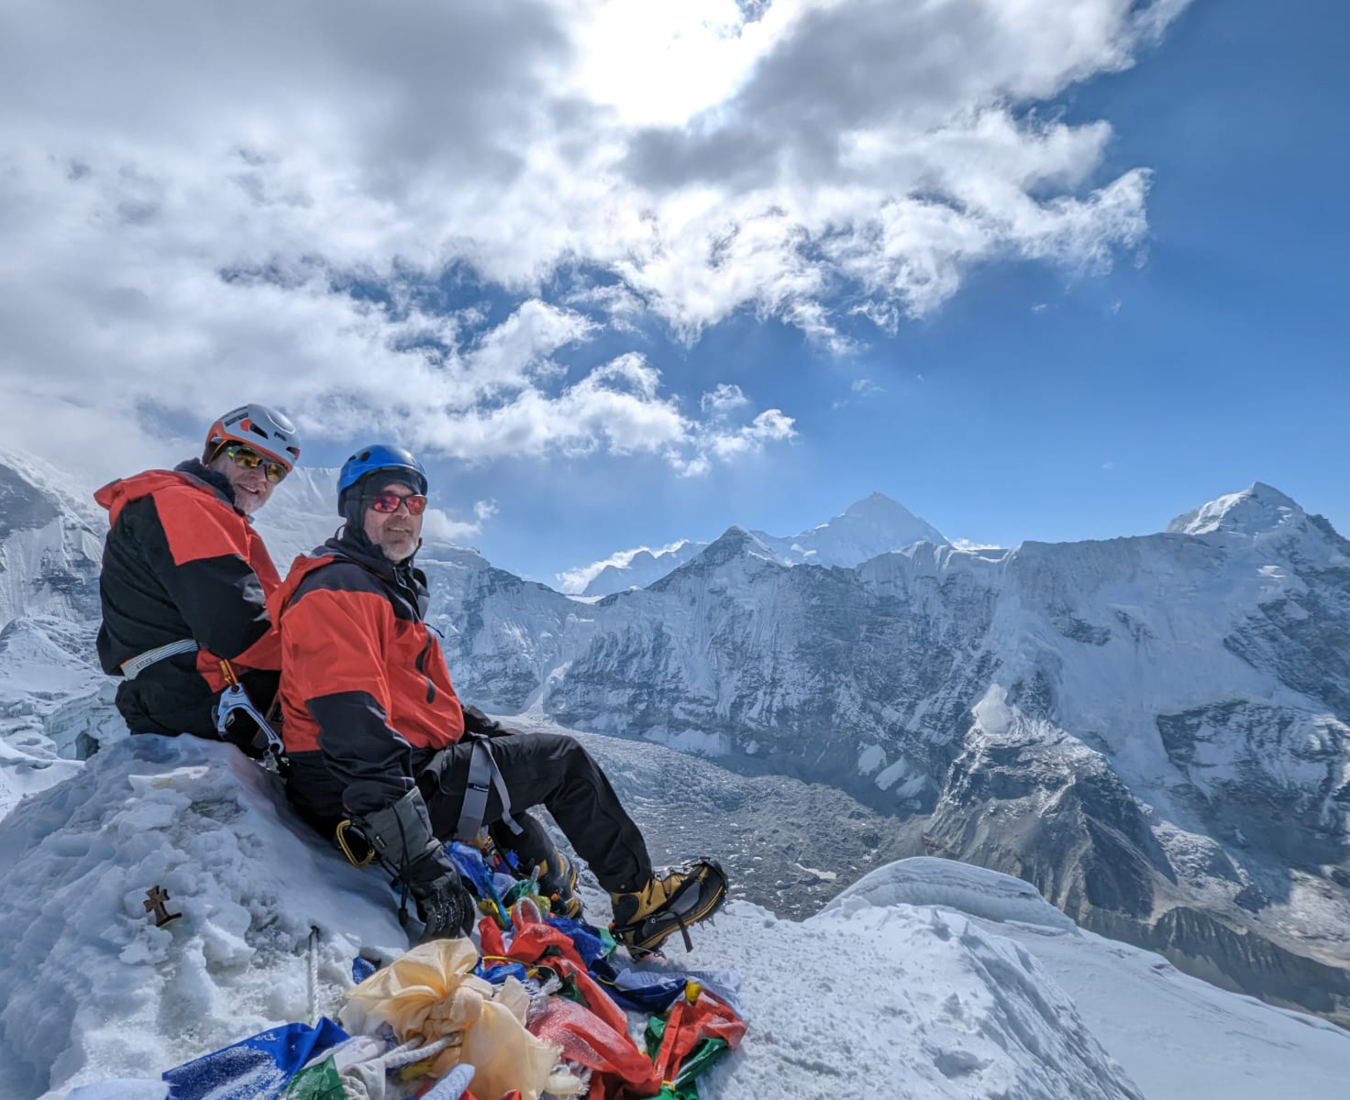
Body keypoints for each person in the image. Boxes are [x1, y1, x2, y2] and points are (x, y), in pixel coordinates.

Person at [273, 444, 726, 953]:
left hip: (375, 779)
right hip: (358, 796)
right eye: (384, 502)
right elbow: (353, 728)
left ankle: (556, 897)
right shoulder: (340, 591)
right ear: (354, 510)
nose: (401, 514)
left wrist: (470, 725)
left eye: (413, 503)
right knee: (563, 760)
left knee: (509, 767)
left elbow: (398, 693)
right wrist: (420, 859)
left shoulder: (369, 584)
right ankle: (640, 901)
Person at [95, 404, 300, 748]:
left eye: (275, 471)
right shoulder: (185, 507)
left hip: (176, 692)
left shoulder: (207, 512)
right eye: (248, 459)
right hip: (199, 694)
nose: (261, 477)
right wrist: (320, 650)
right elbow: (241, 631)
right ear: (213, 452)